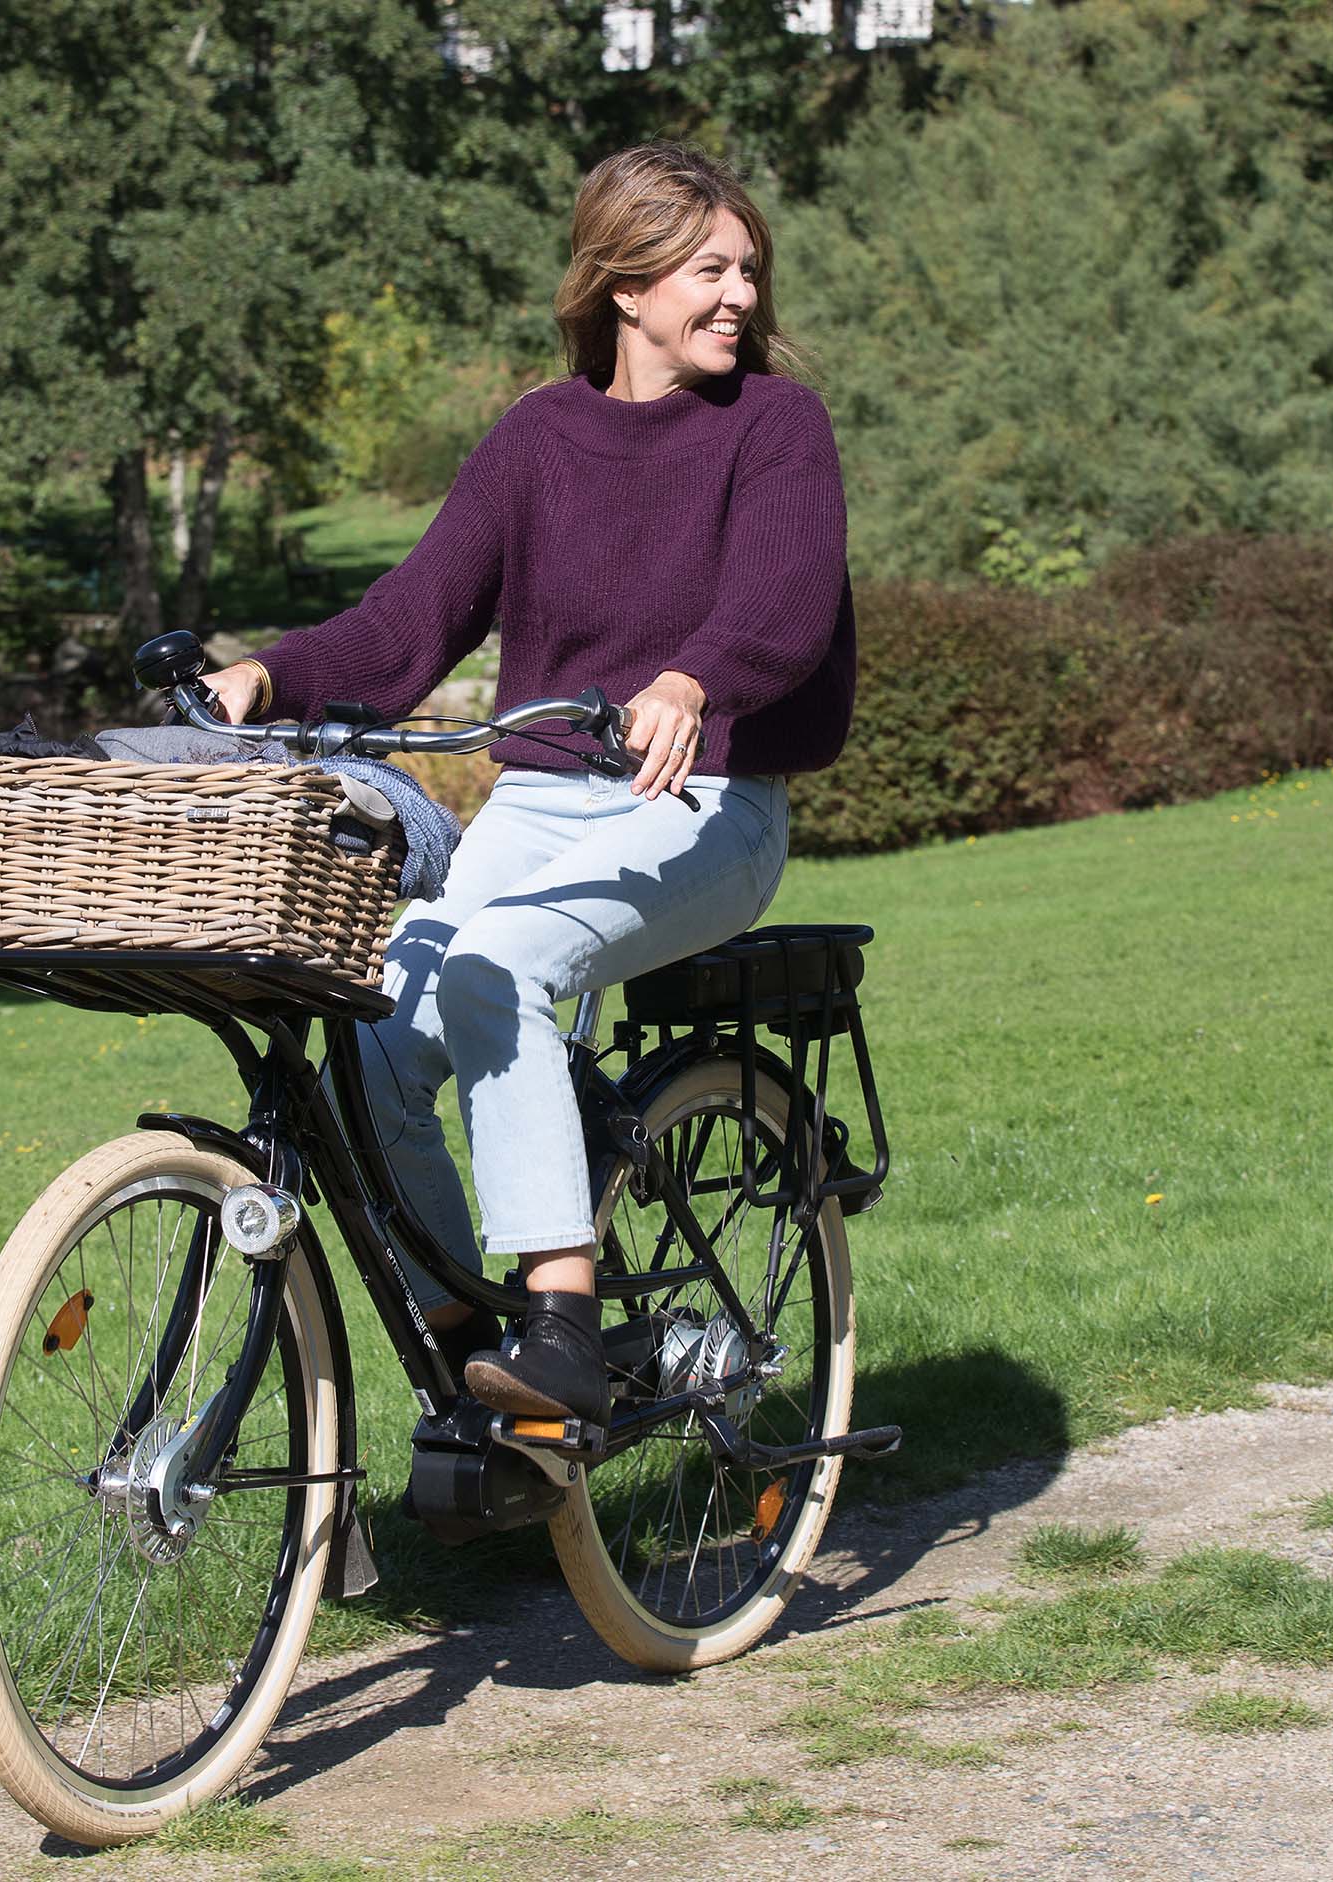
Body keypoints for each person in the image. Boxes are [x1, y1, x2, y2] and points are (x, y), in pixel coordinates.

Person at [205, 142, 855, 1426]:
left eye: (748, 269)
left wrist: (693, 679)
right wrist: (266, 680)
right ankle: (466, 1343)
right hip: (541, 807)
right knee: (369, 1031)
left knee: (495, 968)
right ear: (625, 285)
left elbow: (784, 597)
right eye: (707, 269)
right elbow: (405, 625)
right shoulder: (540, 439)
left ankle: (562, 1321)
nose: (739, 295)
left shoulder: (775, 423)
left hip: (707, 807)